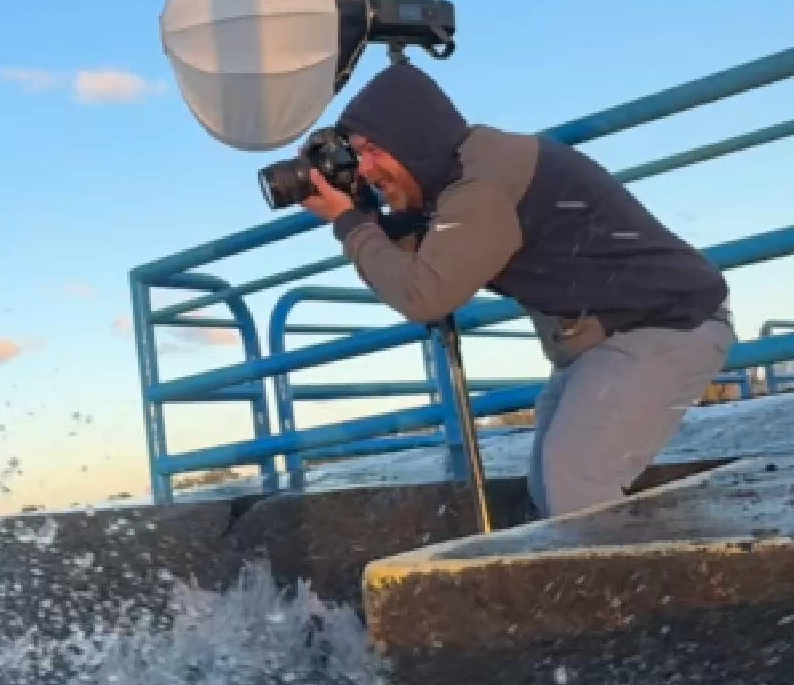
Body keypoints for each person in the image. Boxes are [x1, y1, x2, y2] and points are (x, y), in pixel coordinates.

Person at [301, 56, 734, 519]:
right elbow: (415, 266)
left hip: (666, 325)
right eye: (355, 156)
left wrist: (349, 223)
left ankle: (642, 590)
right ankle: (631, 579)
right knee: (553, 493)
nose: (364, 169)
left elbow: (425, 294)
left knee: (574, 483)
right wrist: (372, 218)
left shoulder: (482, 184)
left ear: (414, 140)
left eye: (373, 151)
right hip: (610, 336)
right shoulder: (461, 176)